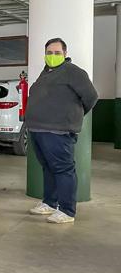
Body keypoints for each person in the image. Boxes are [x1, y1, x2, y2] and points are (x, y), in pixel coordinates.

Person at [26, 37, 98, 224]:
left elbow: (91, 96)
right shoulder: (46, 73)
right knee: (48, 167)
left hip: (58, 131)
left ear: (65, 54)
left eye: (57, 53)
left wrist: (72, 116)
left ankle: (67, 210)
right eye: (49, 52)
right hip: (38, 128)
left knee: (63, 169)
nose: (53, 56)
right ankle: (50, 203)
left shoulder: (73, 72)